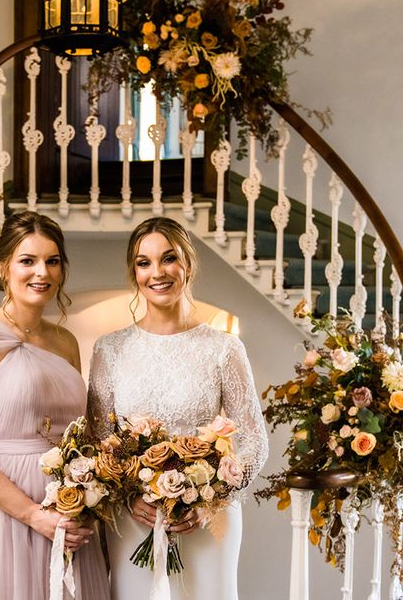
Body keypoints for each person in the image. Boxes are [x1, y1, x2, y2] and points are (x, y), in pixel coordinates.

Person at [86, 216, 268, 600]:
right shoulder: (109, 349)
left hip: (206, 521)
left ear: (188, 263)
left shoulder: (223, 349)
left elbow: (254, 440)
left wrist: (211, 499)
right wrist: (128, 496)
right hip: (134, 517)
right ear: (133, 272)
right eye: (144, 262)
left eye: (169, 258)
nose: (157, 273)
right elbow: (100, 438)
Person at [0, 211, 109, 599]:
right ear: (3, 268)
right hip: (2, 510)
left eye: (52, 260)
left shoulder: (66, 342)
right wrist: (34, 515)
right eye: (27, 261)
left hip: (68, 512)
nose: (40, 272)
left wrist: (86, 500)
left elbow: (82, 436)